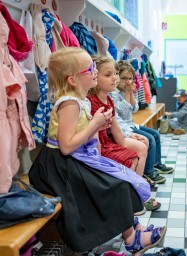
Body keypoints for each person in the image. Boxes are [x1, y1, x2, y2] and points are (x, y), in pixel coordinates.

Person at [28, 47, 166, 254]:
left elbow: (80, 138)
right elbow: (65, 146)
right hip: (58, 167)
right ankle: (131, 239)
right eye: (89, 68)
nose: (94, 71)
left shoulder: (80, 101)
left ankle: (133, 229)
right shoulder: (69, 104)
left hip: (73, 160)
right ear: (72, 80)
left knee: (122, 179)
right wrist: (94, 125)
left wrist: (97, 126)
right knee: (115, 186)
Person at [87, 56, 161, 212]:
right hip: (97, 146)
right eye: (108, 75)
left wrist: (128, 142)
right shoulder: (91, 101)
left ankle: (136, 193)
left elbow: (122, 123)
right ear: (94, 77)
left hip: (112, 138)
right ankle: (133, 197)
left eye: (115, 74)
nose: (114, 78)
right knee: (133, 155)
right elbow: (95, 138)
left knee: (138, 150)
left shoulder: (109, 100)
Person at [111, 61, 174, 182]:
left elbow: (134, 108)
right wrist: (128, 93)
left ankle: (155, 164)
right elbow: (124, 111)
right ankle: (148, 172)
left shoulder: (125, 91)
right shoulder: (113, 93)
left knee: (155, 134)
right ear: (117, 76)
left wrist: (130, 93)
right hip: (124, 127)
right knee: (149, 138)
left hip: (130, 124)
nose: (128, 81)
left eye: (130, 78)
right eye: (124, 78)